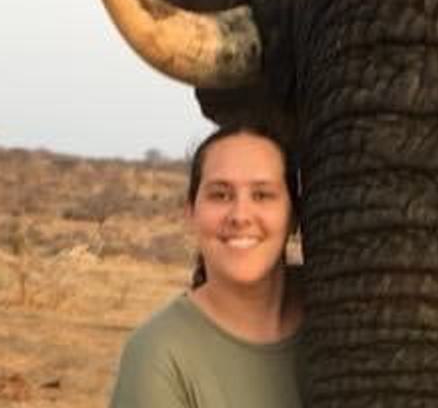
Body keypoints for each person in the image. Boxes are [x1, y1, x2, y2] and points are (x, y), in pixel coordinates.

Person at [108, 122, 305, 407]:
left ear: (293, 216)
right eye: (220, 195)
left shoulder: (343, 312)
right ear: (191, 212)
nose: (240, 215)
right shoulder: (159, 353)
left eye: (262, 195)